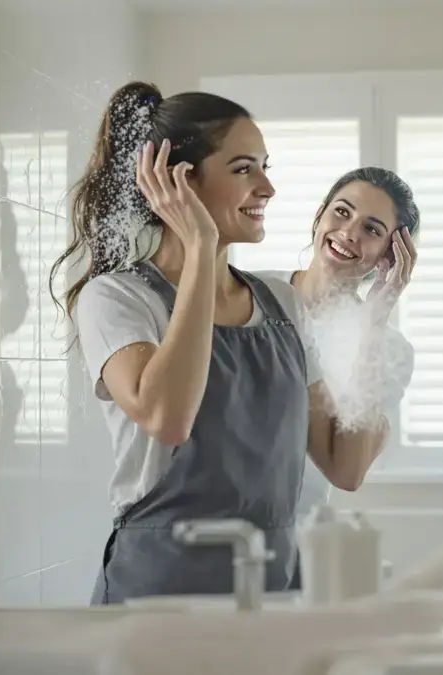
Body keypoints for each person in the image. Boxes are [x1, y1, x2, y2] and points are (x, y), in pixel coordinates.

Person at [51, 81, 385, 605]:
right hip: (161, 591)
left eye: (264, 167)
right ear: (175, 180)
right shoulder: (116, 299)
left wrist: (377, 321)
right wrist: (200, 243)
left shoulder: (283, 304)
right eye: (243, 168)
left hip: (272, 586)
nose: (267, 189)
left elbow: (345, 465)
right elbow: (167, 416)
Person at [255, 167, 420, 525]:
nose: (348, 233)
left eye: (371, 229)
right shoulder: (248, 292)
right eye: (342, 212)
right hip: (208, 524)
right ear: (319, 215)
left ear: (388, 257)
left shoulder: (389, 350)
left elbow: (349, 472)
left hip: (296, 536)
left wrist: (375, 320)